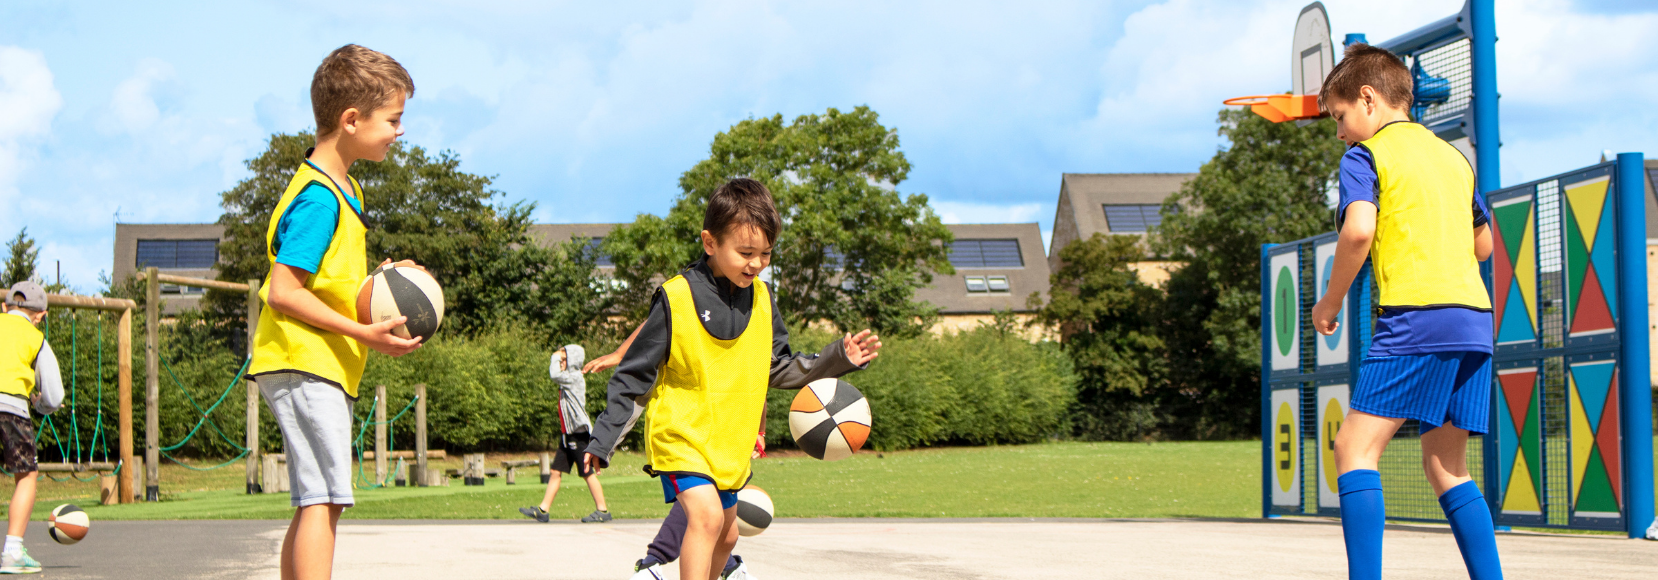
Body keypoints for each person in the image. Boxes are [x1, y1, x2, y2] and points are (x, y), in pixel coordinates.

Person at [583, 178, 881, 580]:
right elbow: (633, 375)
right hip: (682, 435)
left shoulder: (762, 299)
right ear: (710, 243)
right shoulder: (676, 296)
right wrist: (603, 439)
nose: (756, 263)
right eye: (745, 252)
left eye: (766, 254)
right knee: (705, 519)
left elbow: (776, 366)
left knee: (727, 535)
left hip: (730, 444)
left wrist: (837, 357)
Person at [1311, 43, 1503, 580]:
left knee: (1353, 447)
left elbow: (1359, 230)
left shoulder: (1366, 157)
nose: (1342, 133)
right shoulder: (1452, 157)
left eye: (1341, 117)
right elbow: (1484, 246)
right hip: (1473, 322)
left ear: (1368, 100)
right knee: (1446, 465)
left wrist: (1331, 299)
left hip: (1416, 318)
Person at [247, 44, 422, 580]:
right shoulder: (321, 198)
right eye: (393, 119)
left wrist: (382, 282)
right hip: (305, 361)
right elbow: (283, 290)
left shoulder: (345, 188)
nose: (399, 131)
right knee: (322, 499)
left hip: (318, 363)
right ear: (351, 119)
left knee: (318, 499)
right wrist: (363, 332)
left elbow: (327, 281)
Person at [584, 333, 760, 580]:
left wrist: (758, 428)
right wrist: (621, 353)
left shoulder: (753, 307)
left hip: (724, 431)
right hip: (683, 427)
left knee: (726, 533)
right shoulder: (684, 298)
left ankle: (724, 567)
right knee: (705, 513)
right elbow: (655, 321)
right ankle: (652, 563)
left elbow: (761, 369)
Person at [0, 282, 62, 574]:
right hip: (11, 408)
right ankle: (12, 551)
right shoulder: (35, 338)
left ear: (4, 307)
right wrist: (41, 405)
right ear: (41, 315)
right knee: (26, 474)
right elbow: (54, 395)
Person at [519, 345, 612, 523]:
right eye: (561, 360)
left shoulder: (574, 377)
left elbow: (554, 375)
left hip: (579, 435)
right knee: (555, 472)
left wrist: (554, 356)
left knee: (587, 472)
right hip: (568, 435)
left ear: (572, 361)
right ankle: (543, 510)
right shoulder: (568, 378)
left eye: (564, 360)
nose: (561, 363)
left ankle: (603, 510)